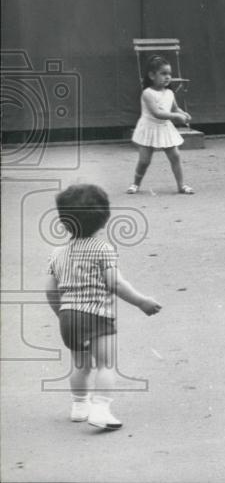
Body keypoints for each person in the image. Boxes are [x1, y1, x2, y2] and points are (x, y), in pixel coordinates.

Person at [44, 184, 162, 430]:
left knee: (80, 364)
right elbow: (115, 283)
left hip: (68, 316)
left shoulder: (57, 253)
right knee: (105, 364)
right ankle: (100, 409)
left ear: (63, 221)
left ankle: (79, 406)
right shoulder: (103, 249)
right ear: (104, 219)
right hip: (97, 315)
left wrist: (61, 312)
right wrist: (141, 302)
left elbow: (50, 289)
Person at [128, 55, 194, 194]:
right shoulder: (147, 93)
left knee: (175, 156)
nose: (167, 77)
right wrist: (176, 117)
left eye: (169, 74)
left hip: (164, 128)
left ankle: (181, 186)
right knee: (144, 161)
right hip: (148, 129)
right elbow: (157, 113)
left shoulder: (170, 92)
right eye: (163, 73)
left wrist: (183, 114)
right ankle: (135, 184)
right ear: (152, 75)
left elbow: (175, 108)